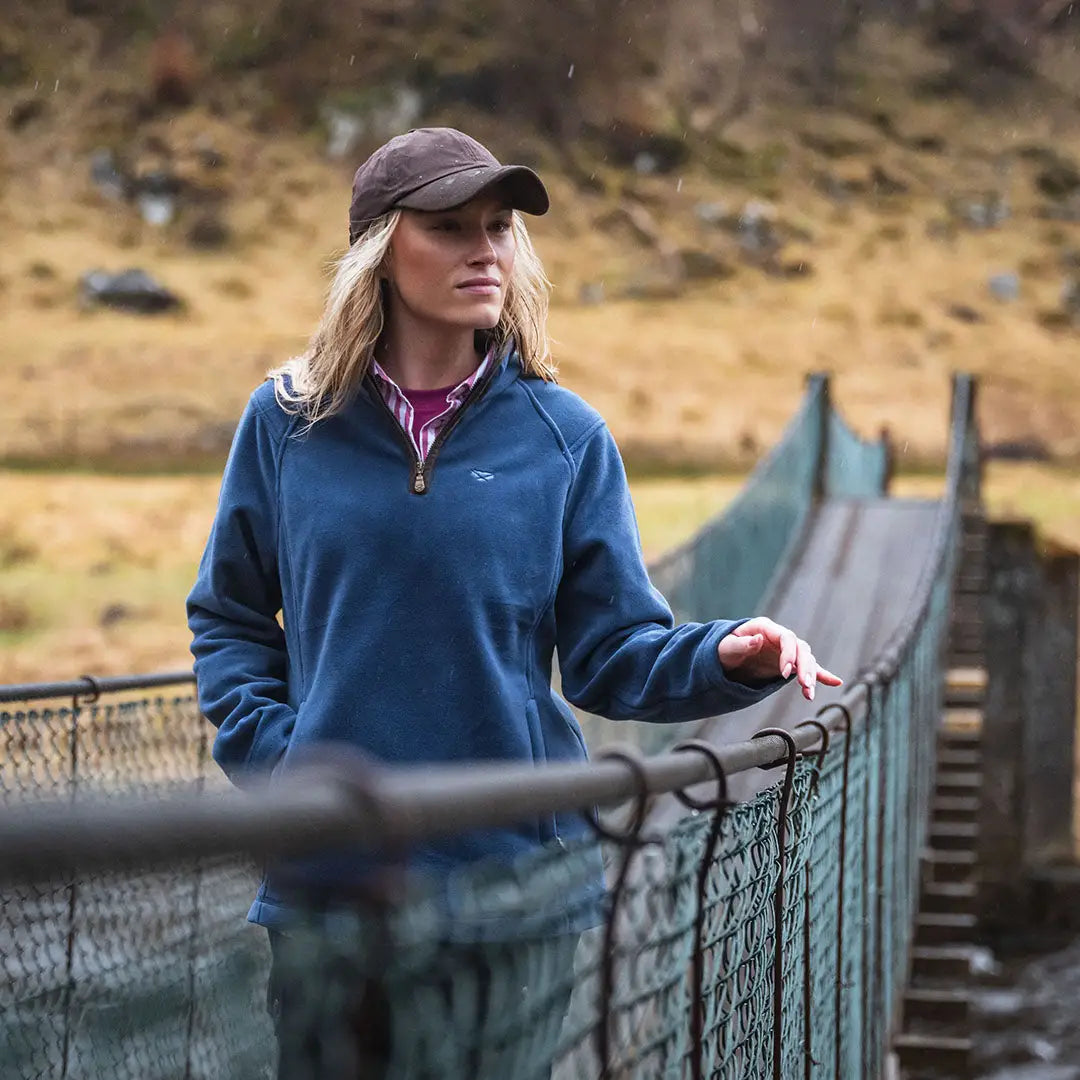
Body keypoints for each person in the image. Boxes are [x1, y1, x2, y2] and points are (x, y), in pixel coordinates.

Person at [186, 127, 841, 1077]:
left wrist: (720, 652)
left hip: (514, 887)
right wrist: (282, 767)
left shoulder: (564, 437)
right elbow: (232, 616)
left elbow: (612, 651)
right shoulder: (287, 425)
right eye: (450, 227)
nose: (484, 250)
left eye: (498, 227)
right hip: (331, 885)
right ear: (381, 250)